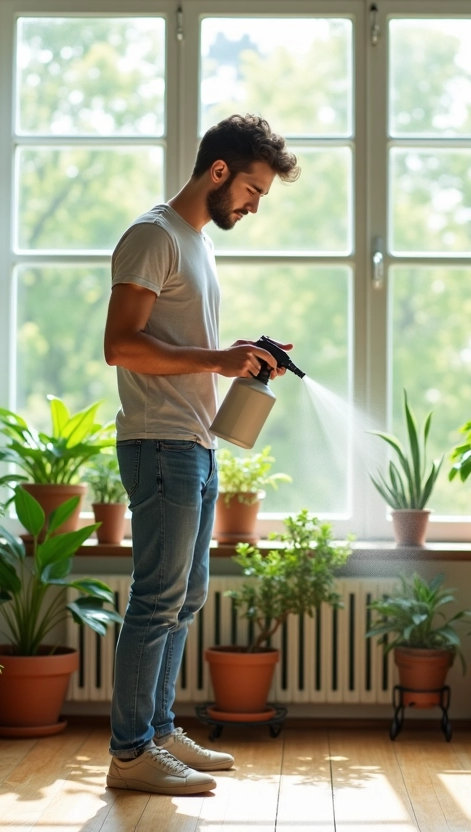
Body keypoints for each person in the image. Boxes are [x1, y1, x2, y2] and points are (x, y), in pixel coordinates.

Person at [102, 114, 300, 795]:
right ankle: (130, 753)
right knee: (157, 598)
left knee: (184, 597)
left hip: (193, 439)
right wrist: (219, 359)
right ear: (218, 171)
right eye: (251, 190)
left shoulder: (194, 243)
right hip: (158, 443)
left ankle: (157, 731)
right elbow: (121, 345)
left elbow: (177, 344)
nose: (252, 205)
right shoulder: (152, 236)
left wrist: (240, 355)